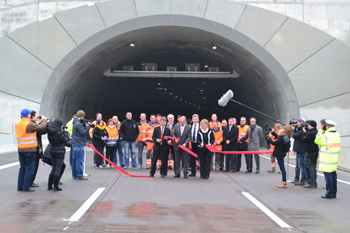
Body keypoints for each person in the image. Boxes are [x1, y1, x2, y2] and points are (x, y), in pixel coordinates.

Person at [15, 109, 47, 192]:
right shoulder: (30, 125)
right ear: (28, 116)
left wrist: (34, 120)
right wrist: (43, 120)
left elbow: (27, 125)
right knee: (29, 168)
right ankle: (26, 186)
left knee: (22, 168)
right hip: (29, 149)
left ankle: (20, 186)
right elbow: (41, 127)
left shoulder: (18, 124)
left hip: (21, 148)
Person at [315, 120, 340, 199]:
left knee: (328, 176)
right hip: (334, 158)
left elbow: (317, 141)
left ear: (327, 126)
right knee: (333, 176)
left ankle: (329, 193)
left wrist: (320, 131)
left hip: (326, 159)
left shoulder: (326, 135)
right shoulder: (337, 134)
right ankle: (334, 192)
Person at [46, 119, 70, 191]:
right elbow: (64, 140)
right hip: (59, 151)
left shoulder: (50, 132)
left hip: (52, 150)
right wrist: (66, 133)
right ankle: (56, 186)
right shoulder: (58, 133)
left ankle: (49, 186)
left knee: (53, 168)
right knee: (58, 169)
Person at [29, 110, 47, 188]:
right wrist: (44, 121)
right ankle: (30, 182)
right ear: (32, 117)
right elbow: (42, 130)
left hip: (28, 147)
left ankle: (28, 182)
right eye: (36, 116)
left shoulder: (29, 124)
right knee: (34, 166)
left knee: (27, 167)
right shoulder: (32, 125)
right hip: (34, 148)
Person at [72, 110, 91, 180]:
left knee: (74, 161)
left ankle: (74, 175)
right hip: (79, 144)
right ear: (82, 117)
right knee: (79, 161)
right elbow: (83, 132)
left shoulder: (75, 123)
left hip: (75, 144)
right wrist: (87, 127)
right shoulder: (78, 124)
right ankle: (80, 175)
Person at [301, 120, 319, 188]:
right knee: (313, 167)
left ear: (311, 125)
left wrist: (304, 133)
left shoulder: (311, 133)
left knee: (309, 166)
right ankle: (314, 182)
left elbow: (304, 140)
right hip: (315, 151)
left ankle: (310, 182)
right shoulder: (317, 132)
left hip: (309, 151)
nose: (307, 126)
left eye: (308, 125)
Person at [293, 118, 306, 186]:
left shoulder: (301, 131)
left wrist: (293, 130)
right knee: (298, 166)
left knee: (301, 166)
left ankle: (303, 180)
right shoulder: (300, 130)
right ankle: (296, 179)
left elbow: (294, 135)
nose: (296, 123)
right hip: (299, 150)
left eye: (298, 122)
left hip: (301, 150)